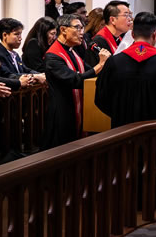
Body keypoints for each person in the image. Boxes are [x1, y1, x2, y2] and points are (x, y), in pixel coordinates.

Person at [95, 11, 156, 127]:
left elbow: (101, 98)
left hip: (122, 132)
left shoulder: (114, 62)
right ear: (155, 34)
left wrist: (120, 114)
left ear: (132, 35)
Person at [41, 12, 109, 148]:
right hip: (62, 111)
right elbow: (75, 80)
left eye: (82, 28)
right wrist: (100, 65)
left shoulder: (72, 51)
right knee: (62, 149)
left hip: (76, 106)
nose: (82, 32)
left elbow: (88, 71)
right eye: (77, 28)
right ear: (63, 30)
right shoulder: (53, 56)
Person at [0, 18, 42, 87]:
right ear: (5, 35)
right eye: (17, 34)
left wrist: (40, 75)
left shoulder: (15, 54)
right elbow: (8, 75)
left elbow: (26, 69)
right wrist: (34, 76)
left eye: (20, 34)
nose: (20, 38)